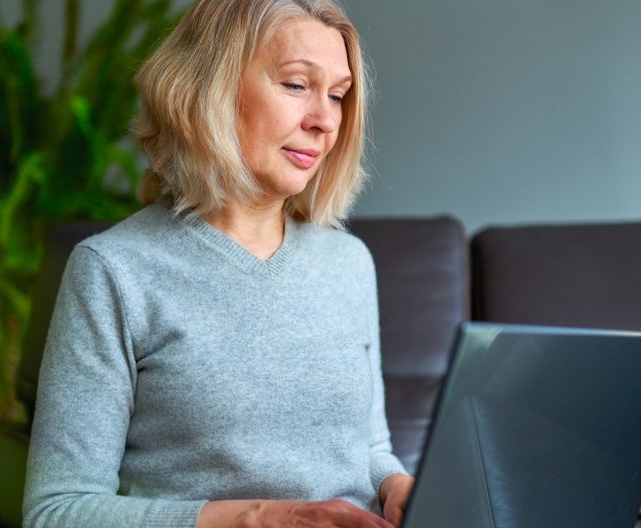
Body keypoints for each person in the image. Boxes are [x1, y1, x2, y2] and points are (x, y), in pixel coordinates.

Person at [21, 0, 415, 527]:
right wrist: (259, 518)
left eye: (338, 96)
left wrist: (394, 483)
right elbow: (56, 512)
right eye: (297, 85)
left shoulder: (348, 262)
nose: (325, 120)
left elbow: (366, 447)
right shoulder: (113, 271)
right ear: (211, 88)